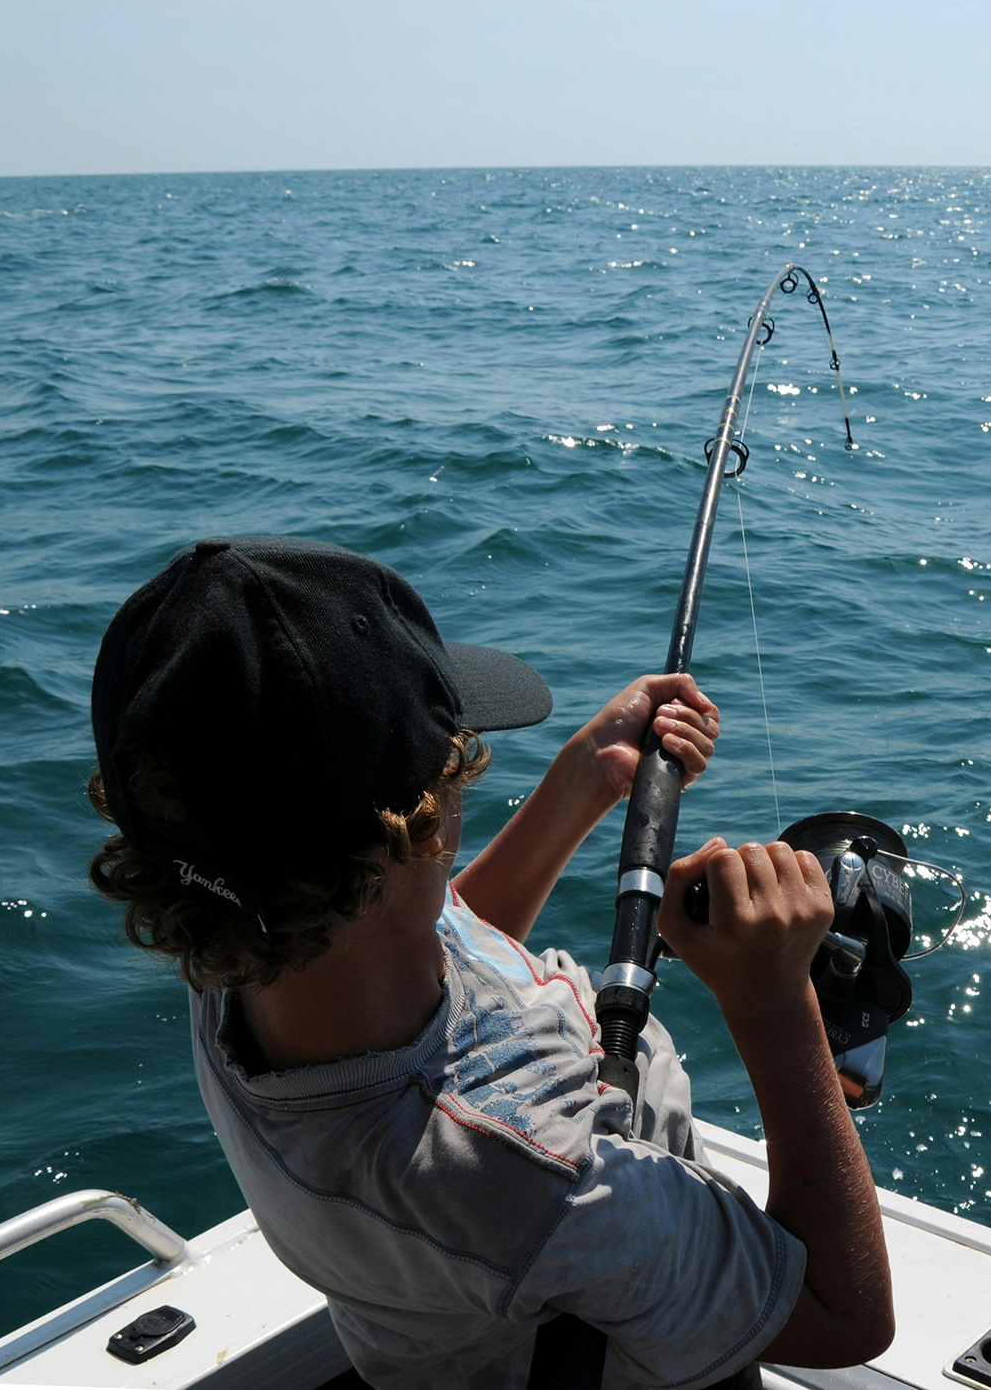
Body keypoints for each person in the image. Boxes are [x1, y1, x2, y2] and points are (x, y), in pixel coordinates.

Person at [88, 535, 893, 1390]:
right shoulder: (535, 1180)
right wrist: (772, 1003)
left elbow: (428, 935)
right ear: (430, 825)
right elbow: (843, 1317)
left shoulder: (235, 944)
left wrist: (585, 778)